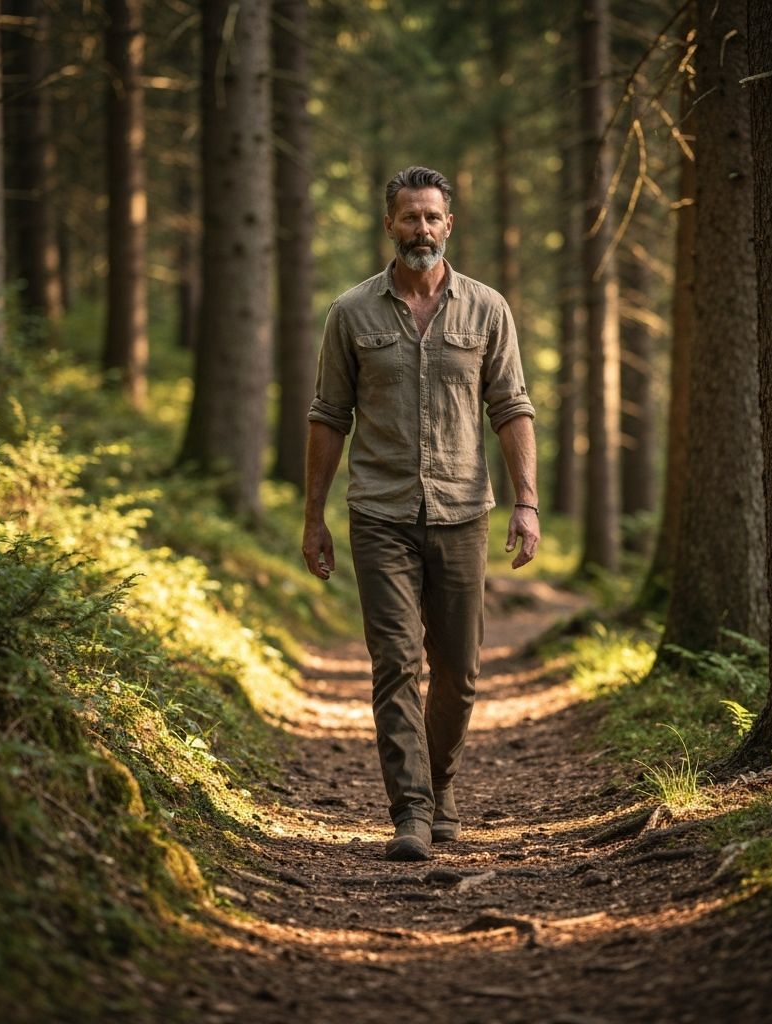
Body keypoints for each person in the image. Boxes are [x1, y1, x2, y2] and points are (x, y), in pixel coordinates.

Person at [302, 165, 540, 862]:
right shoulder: (351, 313)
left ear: (449, 224)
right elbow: (326, 416)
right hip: (379, 513)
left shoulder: (487, 309)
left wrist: (526, 503)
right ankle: (409, 810)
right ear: (390, 224)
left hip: (464, 512)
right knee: (397, 663)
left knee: (459, 670)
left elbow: (512, 407)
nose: (422, 230)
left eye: (433, 218)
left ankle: (439, 788)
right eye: (410, 217)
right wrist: (312, 518)